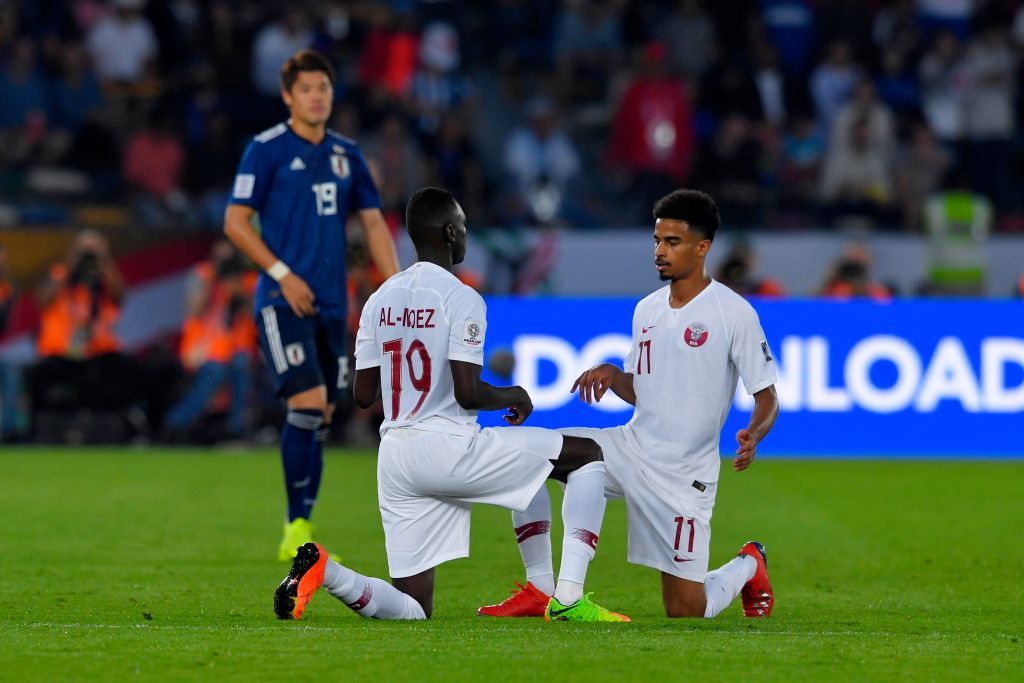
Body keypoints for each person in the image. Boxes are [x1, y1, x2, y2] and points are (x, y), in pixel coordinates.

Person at [273, 188, 627, 623]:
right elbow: (467, 392)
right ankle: (567, 595)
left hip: (397, 457)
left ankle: (327, 571)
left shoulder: (379, 299)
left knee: (414, 608)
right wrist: (512, 394)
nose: (465, 237)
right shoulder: (461, 298)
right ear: (449, 232)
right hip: (448, 447)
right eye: (462, 228)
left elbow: (363, 395)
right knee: (585, 456)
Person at [478, 190, 780, 619]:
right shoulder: (647, 310)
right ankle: (544, 589)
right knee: (527, 453)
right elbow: (645, 389)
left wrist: (755, 433)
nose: (660, 251)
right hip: (630, 446)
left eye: (672, 242)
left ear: (702, 247)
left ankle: (750, 562)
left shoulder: (734, 313)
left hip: (683, 479)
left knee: (686, 609)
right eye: (657, 241)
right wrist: (614, 376)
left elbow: (767, 395)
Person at [223, 49, 400, 561]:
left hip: (330, 304)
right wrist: (281, 273)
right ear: (288, 96)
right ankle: (294, 527)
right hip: (282, 300)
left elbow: (371, 221)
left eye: (323, 87)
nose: (317, 96)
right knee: (304, 404)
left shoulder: (347, 153)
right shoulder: (266, 149)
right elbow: (235, 222)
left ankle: (303, 525)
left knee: (321, 413)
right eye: (306, 89)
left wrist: (391, 285)